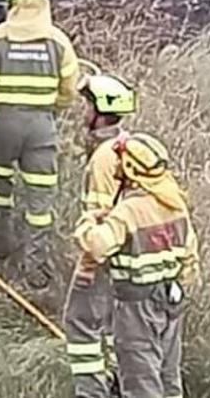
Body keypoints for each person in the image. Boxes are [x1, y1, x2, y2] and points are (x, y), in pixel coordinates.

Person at [0, 0, 80, 289]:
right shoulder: (58, 41)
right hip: (41, 127)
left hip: (2, 127)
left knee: (0, 191)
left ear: (11, 2)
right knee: (40, 202)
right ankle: (37, 271)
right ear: (42, 0)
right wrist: (51, 112)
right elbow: (69, 89)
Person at [75, 133, 199, 398]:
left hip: (135, 308)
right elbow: (190, 261)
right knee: (168, 377)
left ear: (131, 169)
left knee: (141, 380)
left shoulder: (129, 211)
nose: (117, 166)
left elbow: (96, 247)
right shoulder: (176, 205)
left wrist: (88, 221)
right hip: (171, 302)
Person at [65, 74, 137, 398]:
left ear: (99, 112)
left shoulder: (104, 158)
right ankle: (120, 383)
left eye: (88, 105)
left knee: (80, 324)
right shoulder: (130, 146)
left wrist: (86, 269)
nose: (84, 112)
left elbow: (99, 217)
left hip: (105, 256)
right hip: (132, 259)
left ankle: (91, 391)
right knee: (113, 325)